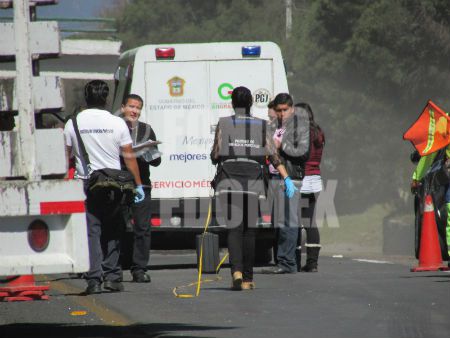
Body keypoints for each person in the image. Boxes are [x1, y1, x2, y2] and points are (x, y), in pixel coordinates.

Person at [64, 80, 145, 294]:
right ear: (106, 99)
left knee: (91, 232)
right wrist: (138, 185)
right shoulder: (117, 123)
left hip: (86, 184)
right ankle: (112, 276)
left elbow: (65, 158)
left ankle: (93, 279)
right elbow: (129, 158)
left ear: (86, 98)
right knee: (114, 229)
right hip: (115, 184)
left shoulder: (73, 123)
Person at [210, 86, 295, 290]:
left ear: (232, 104)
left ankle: (236, 271)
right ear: (250, 104)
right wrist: (287, 178)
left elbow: (215, 155)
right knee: (249, 230)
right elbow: (273, 156)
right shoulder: (262, 125)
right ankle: (248, 279)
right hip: (253, 180)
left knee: (234, 228)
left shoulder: (224, 123)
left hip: (229, 178)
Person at [262, 93, 310, 274]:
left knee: (288, 222)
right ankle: (281, 260)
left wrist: (282, 146)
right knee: (278, 224)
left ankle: (288, 263)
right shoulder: (272, 126)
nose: (282, 114)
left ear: (292, 108)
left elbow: (303, 153)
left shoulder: (300, 126)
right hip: (273, 179)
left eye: (285, 110)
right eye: (278, 110)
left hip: (290, 178)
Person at [120, 94, 161, 283]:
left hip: (142, 184)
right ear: (123, 108)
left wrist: (147, 151)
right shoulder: (115, 126)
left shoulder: (146, 129)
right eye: (131, 107)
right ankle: (114, 268)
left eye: (138, 108)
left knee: (143, 228)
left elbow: (157, 161)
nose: (134, 111)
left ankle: (139, 269)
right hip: (119, 183)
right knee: (117, 227)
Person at [296, 102, 325, 272]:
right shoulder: (318, 132)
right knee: (310, 221)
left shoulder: (300, 133)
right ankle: (313, 262)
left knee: (295, 222)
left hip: (302, 177)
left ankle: (295, 260)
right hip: (315, 178)